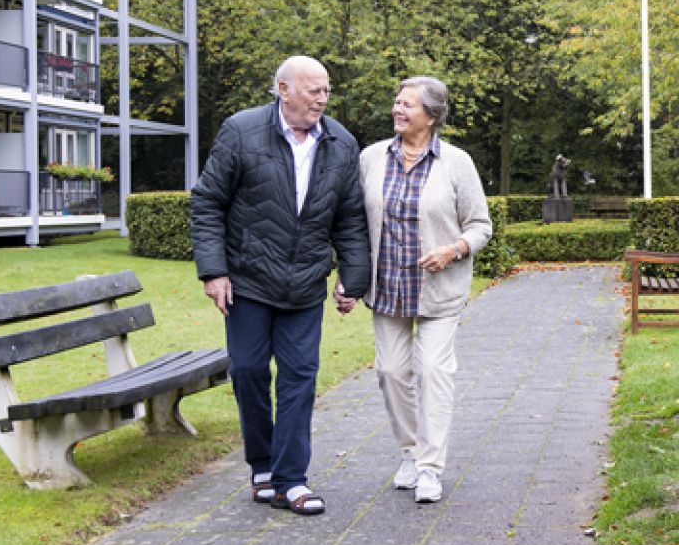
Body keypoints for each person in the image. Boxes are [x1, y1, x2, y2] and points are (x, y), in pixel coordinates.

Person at [190, 56, 370, 516]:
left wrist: (353, 278)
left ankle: (292, 480)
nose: (322, 99)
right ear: (283, 90)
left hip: (305, 283)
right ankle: (262, 466)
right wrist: (213, 271)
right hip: (248, 280)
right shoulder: (241, 131)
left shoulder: (340, 142)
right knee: (249, 371)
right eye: (313, 90)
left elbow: (350, 217)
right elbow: (208, 202)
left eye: (326, 90)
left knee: (299, 378)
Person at [352, 76, 492, 504]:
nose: (398, 109)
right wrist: (349, 276)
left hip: (438, 292)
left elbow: (481, 226)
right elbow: (354, 222)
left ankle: (431, 467)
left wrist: (453, 249)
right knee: (391, 373)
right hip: (387, 290)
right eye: (397, 102)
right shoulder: (371, 158)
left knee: (433, 371)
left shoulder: (456, 163)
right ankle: (411, 454)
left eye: (407, 104)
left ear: (430, 116)